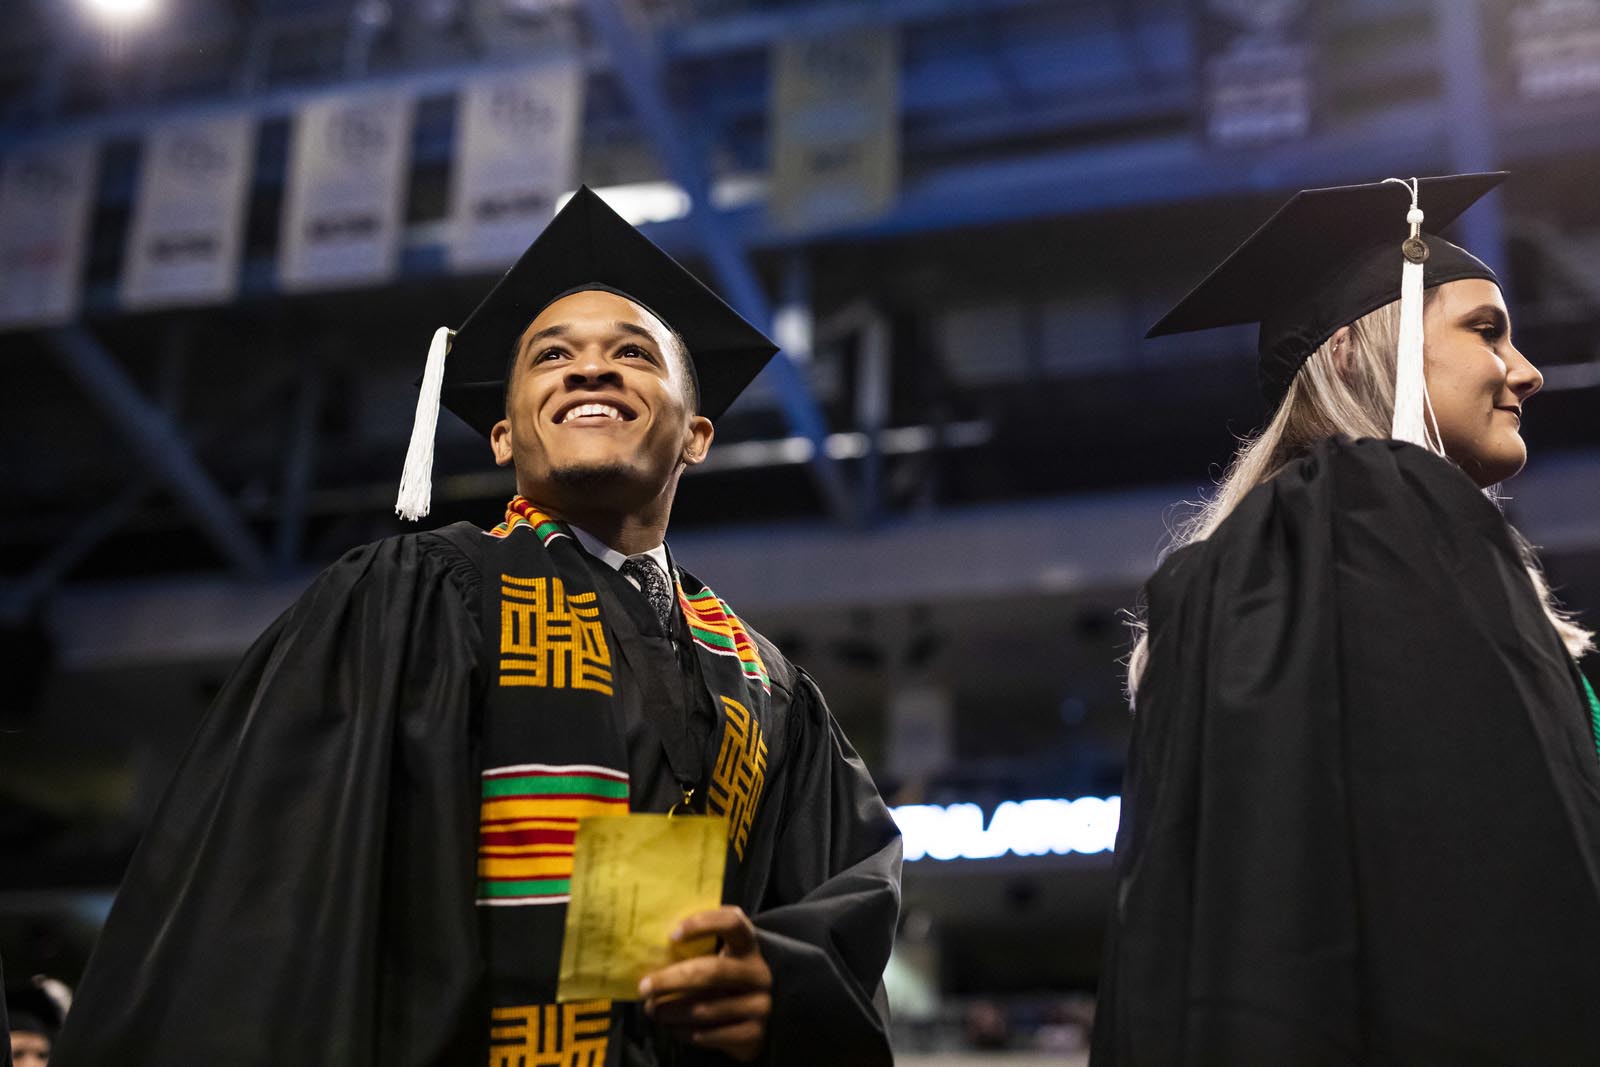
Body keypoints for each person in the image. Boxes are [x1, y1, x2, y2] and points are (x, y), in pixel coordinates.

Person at [52, 188, 902, 1066]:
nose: (590, 370)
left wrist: (780, 983)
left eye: (634, 353)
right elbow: (266, 912)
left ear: (695, 433)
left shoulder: (766, 687)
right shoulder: (409, 600)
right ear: (503, 434)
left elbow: (848, 889)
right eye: (552, 355)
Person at [1092, 174, 1600, 1065]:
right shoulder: (1356, 523)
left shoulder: (1322, 559)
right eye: (1486, 331)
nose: (1526, 369)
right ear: (1355, 353)